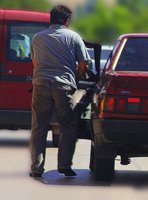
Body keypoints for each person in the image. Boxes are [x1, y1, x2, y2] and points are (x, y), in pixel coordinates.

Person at [29, 5, 90, 177]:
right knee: (68, 126)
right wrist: (75, 79)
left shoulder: (37, 38)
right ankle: (64, 165)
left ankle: (36, 167)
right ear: (67, 21)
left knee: (39, 127)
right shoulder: (73, 37)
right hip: (64, 85)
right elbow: (84, 64)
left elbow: (35, 63)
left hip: (41, 83)